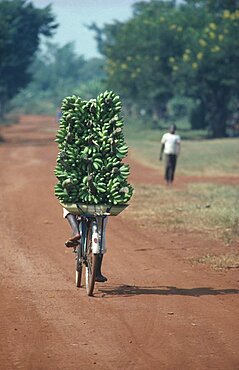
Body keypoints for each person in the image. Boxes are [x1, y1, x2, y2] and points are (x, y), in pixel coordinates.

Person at [63, 208, 107, 282]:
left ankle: (76, 232)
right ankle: (97, 272)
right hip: (100, 207)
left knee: (67, 208)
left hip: (79, 205)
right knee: (100, 232)